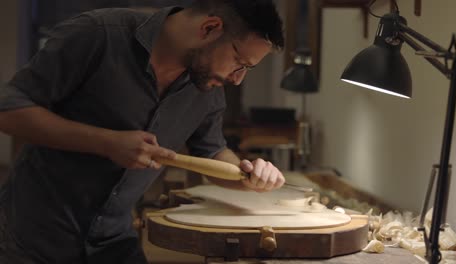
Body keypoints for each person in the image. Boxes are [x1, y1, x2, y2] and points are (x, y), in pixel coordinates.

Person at [0, 0, 285, 263]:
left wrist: (247, 174)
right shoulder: (98, 34)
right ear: (209, 28)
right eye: (240, 63)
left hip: (113, 240)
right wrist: (106, 142)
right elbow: (8, 110)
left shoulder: (206, 85)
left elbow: (212, 151)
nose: (237, 80)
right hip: (33, 235)